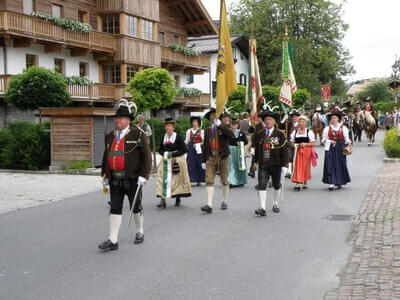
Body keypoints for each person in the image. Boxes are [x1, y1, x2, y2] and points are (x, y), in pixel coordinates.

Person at [99, 100, 152, 251]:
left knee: (135, 206)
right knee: (115, 208)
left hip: (133, 178)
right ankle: (113, 240)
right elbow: (106, 156)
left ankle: (139, 231)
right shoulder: (110, 136)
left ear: (128, 119)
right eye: (116, 118)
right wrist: (105, 175)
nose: (117, 120)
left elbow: (146, 156)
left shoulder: (138, 134)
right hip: (115, 178)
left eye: (121, 117)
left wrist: (144, 175)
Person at [252, 107, 288, 216]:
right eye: (266, 120)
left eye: (270, 120)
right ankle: (262, 207)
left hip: (276, 163)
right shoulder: (260, 133)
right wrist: (254, 162)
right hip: (263, 163)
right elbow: (256, 150)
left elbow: (285, 150)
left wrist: (285, 165)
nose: (268, 121)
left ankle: (275, 203)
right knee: (262, 184)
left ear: (274, 121)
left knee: (277, 184)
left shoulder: (280, 134)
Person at [200, 108, 234, 214]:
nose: (212, 116)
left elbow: (230, 135)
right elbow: (205, 146)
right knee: (209, 180)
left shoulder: (224, 126)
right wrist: (203, 160)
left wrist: (220, 125)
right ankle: (209, 204)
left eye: (214, 114)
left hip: (223, 156)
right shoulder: (207, 130)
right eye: (211, 115)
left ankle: (224, 200)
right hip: (211, 157)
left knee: (224, 179)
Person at [156, 117, 191, 208]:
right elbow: (160, 149)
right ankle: (162, 200)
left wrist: (173, 154)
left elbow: (184, 149)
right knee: (162, 178)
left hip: (176, 160)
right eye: (166, 126)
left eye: (169, 126)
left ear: (173, 127)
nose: (168, 128)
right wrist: (164, 153)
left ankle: (177, 197)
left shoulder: (178, 137)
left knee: (176, 180)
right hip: (165, 161)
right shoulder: (164, 137)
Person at [322, 111, 351, 191]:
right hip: (330, 148)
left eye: (335, 118)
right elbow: (323, 140)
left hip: (340, 148)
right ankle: (331, 182)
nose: (333, 119)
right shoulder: (327, 129)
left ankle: (339, 181)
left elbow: (346, 138)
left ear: (338, 119)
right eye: (332, 118)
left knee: (340, 163)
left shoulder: (343, 128)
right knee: (330, 164)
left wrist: (349, 144)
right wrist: (330, 141)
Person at [290, 115, 316, 190]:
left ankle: (305, 180)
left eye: (303, 122)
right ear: (298, 123)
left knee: (306, 166)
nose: (301, 124)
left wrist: (305, 144)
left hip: (307, 151)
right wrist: (295, 144)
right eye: (300, 122)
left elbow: (313, 143)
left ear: (305, 123)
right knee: (297, 166)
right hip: (298, 151)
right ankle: (297, 182)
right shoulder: (295, 132)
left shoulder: (309, 132)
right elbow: (291, 142)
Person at [228, 117, 248, 187]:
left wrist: (244, 151)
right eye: (232, 124)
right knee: (231, 166)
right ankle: (232, 181)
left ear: (237, 125)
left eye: (235, 124)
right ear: (230, 125)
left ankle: (240, 181)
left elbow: (246, 142)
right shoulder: (228, 132)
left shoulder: (241, 133)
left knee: (240, 166)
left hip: (239, 150)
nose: (234, 126)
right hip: (230, 151)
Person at [185, 116, 205, 185]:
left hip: (199, 149)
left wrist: (199, 144)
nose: (194, 123)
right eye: (193, 122)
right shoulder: (188, 131)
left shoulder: (201, 131)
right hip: (191, 149)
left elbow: (204, 141)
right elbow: (187, 141)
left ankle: (201, 179)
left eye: (196, 122)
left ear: (198, 123)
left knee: (199, 163)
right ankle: (192, 179)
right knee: (191, 164)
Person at [284, 109, 300, 178]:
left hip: (298, 143)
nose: (294, 118)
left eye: (296, 117)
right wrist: (284, 118)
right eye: (293, 117)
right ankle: (289, 171)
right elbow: (281, 126)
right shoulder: (288, 124)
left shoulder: (300, 125)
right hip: (289, 142)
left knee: (296, 157)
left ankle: (296, 171)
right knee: (289, 156)